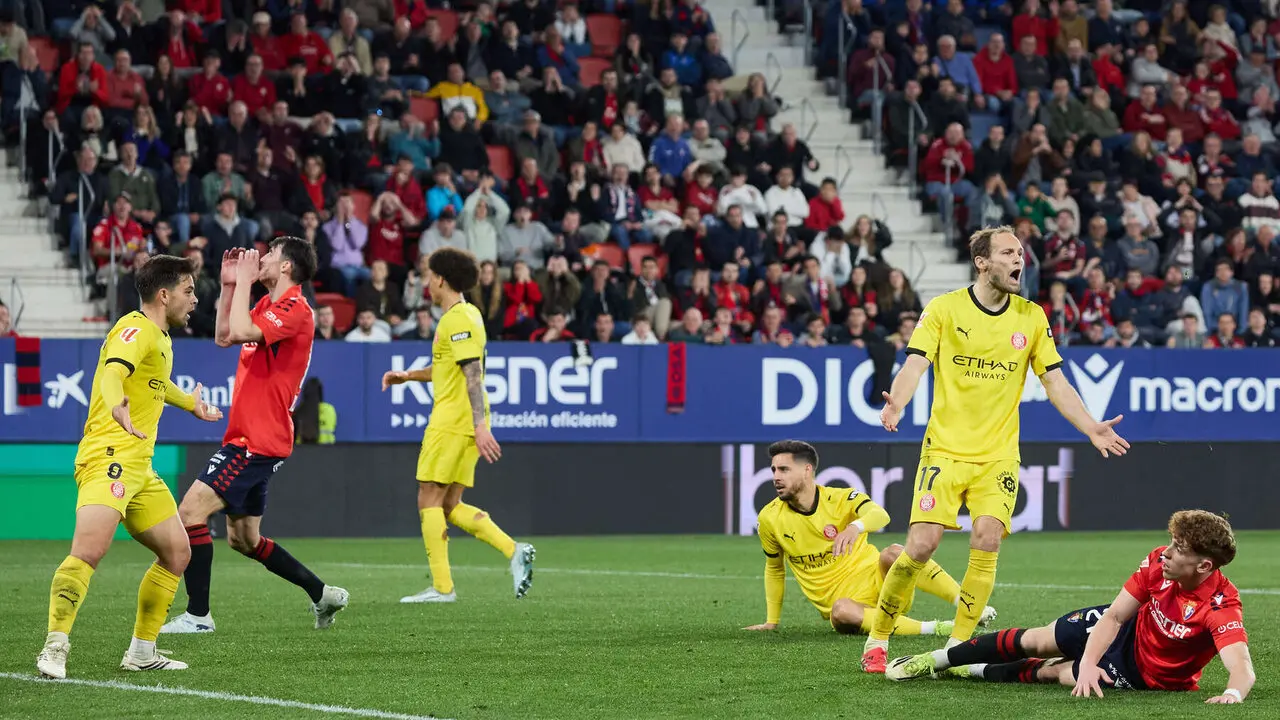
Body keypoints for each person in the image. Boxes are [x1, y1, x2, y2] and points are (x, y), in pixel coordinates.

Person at [862, 225, 1131, 674]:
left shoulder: (1032, 317)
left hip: (998, 456)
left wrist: (1090, 426)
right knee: (921, 545)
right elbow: (915, 363)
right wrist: (898, 401)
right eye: (1008, 253)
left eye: (1021, 254)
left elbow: (1054, 381)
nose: (1019, 260)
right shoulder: (945, 309)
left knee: (987, 538)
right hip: (944, 451)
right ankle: (878, 638)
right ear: (982, 262)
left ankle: (958, 649)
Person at [36, 256, 223, 679]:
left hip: (140, 466)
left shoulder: (159, 336)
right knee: (88, 551)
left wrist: (189, 403)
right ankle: (54, 647)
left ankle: (142, 651)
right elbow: (112, 373)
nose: (194, 299)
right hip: (110, 457)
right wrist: (116, 402)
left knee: (177, 552)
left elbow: (153, 383)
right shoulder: (134, 328)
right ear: (164, 294)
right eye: (189, 291)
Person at [161, 241, 349, 635]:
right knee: (244, 539)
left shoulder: (295, 309)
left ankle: (198, 616)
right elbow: (226, 336)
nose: (258, 259)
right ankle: (322, 594)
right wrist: (231, 286)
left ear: (284, 267)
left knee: (190, 513)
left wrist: (245, 280)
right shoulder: (267, 306)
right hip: (251, 436)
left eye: (267, 256)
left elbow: (243, 329)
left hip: (257, 440)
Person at [886, 510, 1256, 706]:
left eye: (1179, 549)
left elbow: (1241, 666)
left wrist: (1233, 694)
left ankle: (977, 670)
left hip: (1144, 673)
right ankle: (939, 659)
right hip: (1126, 628)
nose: (1168, 553)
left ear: (1204, 566)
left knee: (1056, 673)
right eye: (1170, 543)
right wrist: (1091, 662)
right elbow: (1114, 616)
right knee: (1040, 640)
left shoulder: (1221, 606)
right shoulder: (1159, 562)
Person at [381, 247, 535, 603]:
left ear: (439, 279)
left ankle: (442, 588)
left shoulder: (458, 319)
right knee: (449, 504)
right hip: (463, 418)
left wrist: (480, 426)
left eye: (427, 275)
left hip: (454, 419)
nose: (425, 282)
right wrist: (408, 376)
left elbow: (472, 375)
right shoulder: (463, 315)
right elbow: (446, 368)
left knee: (427, 495)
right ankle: (515, 551)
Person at [744, 441, 992, 637]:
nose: (776, 476)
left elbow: (880, 515)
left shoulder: (839, 499)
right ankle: (936, 628)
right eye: (774, 469)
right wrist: (772, 621)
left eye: (784, 469)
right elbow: (774, 569)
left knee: (894, 552)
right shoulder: (769, 518)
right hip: (848, 607)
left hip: (884, 584)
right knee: (841, 613)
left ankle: (967, 604)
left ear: (807, 470)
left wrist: (855, 527)